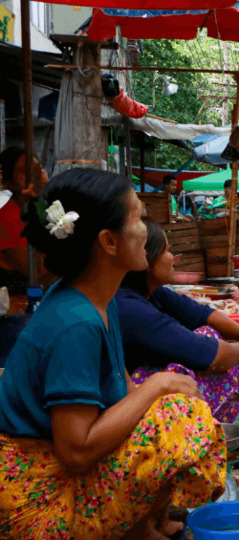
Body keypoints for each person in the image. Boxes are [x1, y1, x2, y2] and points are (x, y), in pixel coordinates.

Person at [0, 168, 224, 537]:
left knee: (170, 399)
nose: (145, 230)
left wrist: (158, 389)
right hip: (38, 501)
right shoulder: (76, 322)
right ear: (108, 241)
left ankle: (143, 526)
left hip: (56, 472)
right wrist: (157, 386)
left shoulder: (98, 300)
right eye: (137, 218)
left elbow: (121, 390)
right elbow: (75, 452)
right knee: (178, 416)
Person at [116, 219, 239, 422]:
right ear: (146, 259)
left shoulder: (154, 292)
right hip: (127, 404)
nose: (174, 258)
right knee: (202, 347)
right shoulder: (131, 307)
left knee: (208, 332)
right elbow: (209, 355)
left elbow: (200, 313)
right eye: (167, 251)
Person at [0, 147, 51, 305]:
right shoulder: (7, 218)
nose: (37, 174)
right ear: (10, 183)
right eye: (25, 171)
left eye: (38, 168)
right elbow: (38, 274)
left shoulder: (43, 207)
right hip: (18, 305)